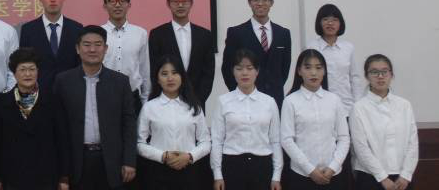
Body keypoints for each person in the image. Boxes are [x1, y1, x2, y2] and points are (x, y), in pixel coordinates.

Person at [54, 25, 138, 190]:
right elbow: (58, 127)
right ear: (78, 49)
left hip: (112, 162)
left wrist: (129, 161)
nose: (92, 49)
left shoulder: (120, 82)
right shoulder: (63, 81)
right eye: (86, 45)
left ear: (105, 49)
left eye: (98, 44)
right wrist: (62, 171)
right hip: (77, 161)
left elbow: (129, 124)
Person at [0, 47, 69, 190]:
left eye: (32, 69)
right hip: (12, 176)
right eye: (22, 69)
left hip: (46, 176)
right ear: (14, 73)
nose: (28, 74)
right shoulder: (1, 103)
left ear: (38, 71)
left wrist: (64, 177)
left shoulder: (53, 101)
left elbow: (62, 140)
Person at [210, 48, 282, 190]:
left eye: (249, 68)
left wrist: (276, 176)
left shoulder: (269, 102)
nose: (244, 73)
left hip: (262, 165)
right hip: (232, 164)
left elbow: (275, 140)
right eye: (239, 68)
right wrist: (217, 175)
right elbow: (217, 140)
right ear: (233, 71)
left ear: (257, 71)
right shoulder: (223, 101)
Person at [136, 55, 210, 190]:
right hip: (157, 171)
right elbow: (140, 143)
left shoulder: (194, 107)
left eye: (175, 73)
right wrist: (163, 156)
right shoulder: (149, 107)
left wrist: (189, 156)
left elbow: (205, 142)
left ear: (182, 77)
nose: (170, 78)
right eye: (164, 74)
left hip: (189, 171)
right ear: (157, 79)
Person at [280, 49, 350, 190]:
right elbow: (287, 140)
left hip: (333, 175)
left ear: (324, 71)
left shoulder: (334, 100)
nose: (313, 73)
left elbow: (344, 138)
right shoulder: (290, 101)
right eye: (308, 67)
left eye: (318, 68)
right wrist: (310, 170)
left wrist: (333, 167)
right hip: (302, 176)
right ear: (299, 71)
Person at [350, 55, 418, 190]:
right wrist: (382, 177)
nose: (380, 76)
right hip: (370, 176)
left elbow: (413, 143)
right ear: (366, 76)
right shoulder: (358, 108)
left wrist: (406, 174)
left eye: (384, 71)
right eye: (374, 72)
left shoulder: (404, 105)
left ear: (391, 75)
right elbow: (361, 148)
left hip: (402, 178)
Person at [221, 0, 292, 108]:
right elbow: (227, 68)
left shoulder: (283, 33)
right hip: (244, 100)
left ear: (271, 2)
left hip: (275, 100)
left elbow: (284, 69)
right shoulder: (236, 33)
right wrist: (241, 93)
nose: (260, 3)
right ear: (249, 2)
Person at [148, 0, 215, 105]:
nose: (180, 5)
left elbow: (208, 73)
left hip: (196, 103)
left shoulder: (205, 35)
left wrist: (197, 100)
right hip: (166, 102)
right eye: (175, 1)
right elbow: (154, 70)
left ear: (191, 3)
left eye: (185, 1)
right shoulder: (157, 35)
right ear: (168, 4)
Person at [19, 0, 83, 92]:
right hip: (38, 92)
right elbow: (25, 63)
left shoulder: (77, 28)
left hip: (70, 91)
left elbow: (80, 63)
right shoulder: (28, 30)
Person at [305, 4, 364, 117]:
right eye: (325, 19)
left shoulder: (348, 48)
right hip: (320, 107)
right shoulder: (311, 47)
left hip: (346, 107)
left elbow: (354, 78)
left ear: (340, 23)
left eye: (334, 20)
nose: (330, 23)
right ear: (319, 23)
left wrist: (358, 104)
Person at [100, 0, 149, 100]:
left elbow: (145, 69)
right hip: (104, 95)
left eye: (122, 0)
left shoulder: (140, 33)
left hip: (133, 96)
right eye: (112, 1)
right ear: (105, 5)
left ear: (129, 4)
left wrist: (145, 99)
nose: (117, 5)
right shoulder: (98, 34)